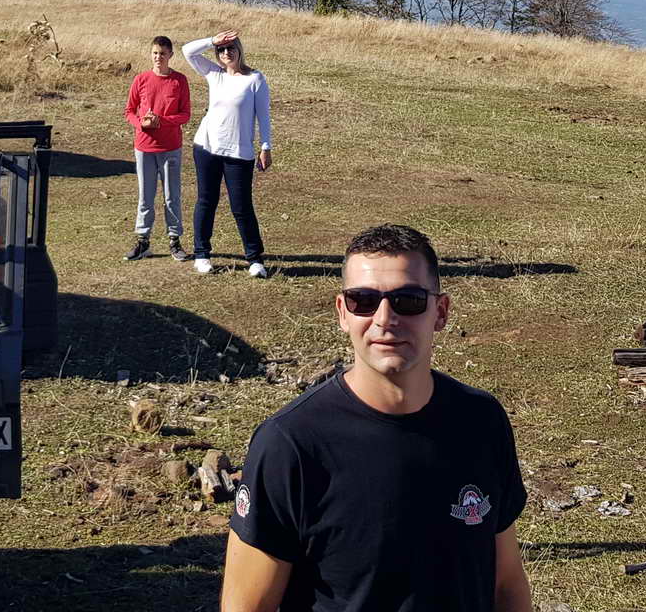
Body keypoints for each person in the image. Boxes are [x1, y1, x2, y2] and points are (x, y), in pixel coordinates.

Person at [222, 225, 533, 612]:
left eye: (408, 300)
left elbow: (506, 582)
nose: (385, 318)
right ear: (342, 312)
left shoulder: (482, 421)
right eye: (363, 301)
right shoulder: (291, 444)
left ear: (441, 312)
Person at [181, 31, 272, 278]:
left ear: (239, 50)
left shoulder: (255, 79)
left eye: (230, 48)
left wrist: (265, 147)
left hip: (239, 152)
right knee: (206, 201)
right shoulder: (214, 73)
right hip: (206, 147)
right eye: (221, 50)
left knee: (241, 206)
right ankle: (202, 254)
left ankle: (255, 259)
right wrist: (212, 40)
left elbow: (263, 116)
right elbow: (187, 51)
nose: (226, 53)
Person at [124, 35, 192, 261]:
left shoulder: (179, 81)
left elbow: (185, 114)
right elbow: (129, 111)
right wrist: (141, 123)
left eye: (162, 53)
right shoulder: (141, 79)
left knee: (172, 196)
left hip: (170, 147)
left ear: (170, 55)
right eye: (155, 53)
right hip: (144, 147)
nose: (158, 57)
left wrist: (161, 121)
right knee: (145, 196)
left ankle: (174, 240)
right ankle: (143, 241)